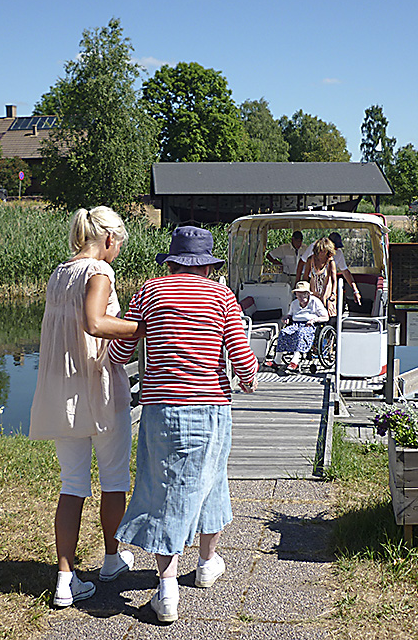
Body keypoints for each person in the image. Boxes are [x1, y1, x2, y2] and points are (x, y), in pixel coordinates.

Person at [109, 226, 258, 623]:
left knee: (165, 488)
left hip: (161, 409)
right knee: (211, 480)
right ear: (208, 266)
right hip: (211, 408)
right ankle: (184, 577)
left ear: (172, 261)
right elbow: (242, 359)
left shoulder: (149, 292)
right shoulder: (223, 296)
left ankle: (188, 574)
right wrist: (250, 377)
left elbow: (123, 350)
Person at [29, 206, 145, 609]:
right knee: (114, 479)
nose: (117, 254)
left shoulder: (59, 273)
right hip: (98, 385)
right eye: (118, 246)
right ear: (109, 240)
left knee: (72, 484)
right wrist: (143, 326)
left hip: (62, 389)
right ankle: (112, 560)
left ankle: (65, 579)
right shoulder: (100, 272)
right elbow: (94, 323)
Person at [263, 281, 329, 372]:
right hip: (295, 324)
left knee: (300, 333)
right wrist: (286, 318)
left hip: (310, 325)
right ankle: (277, 360)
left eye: (303, 294)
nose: (301, 297)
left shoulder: (315, 301)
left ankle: (295, 360)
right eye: (299, 295)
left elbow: (326, 317)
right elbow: (290, 315)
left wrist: (314, 320)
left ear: (308, 293)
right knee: (283, 332)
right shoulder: (294, 303)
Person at [295, 232, 362, 309]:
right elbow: (302, 263)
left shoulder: (335, 256)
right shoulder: (314, 248)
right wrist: (298, 283)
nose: (336, 249)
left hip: (327, 285)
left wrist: (355, 290)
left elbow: (345, 272)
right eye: (335, 247)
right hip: (312, 283)